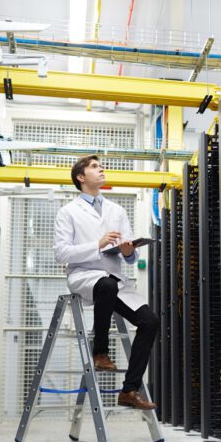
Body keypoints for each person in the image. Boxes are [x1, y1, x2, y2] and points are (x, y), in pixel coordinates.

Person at [53, 155, 159, 410]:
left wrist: (127, 251)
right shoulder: (68, 212)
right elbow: (62, 253)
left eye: (101, 167)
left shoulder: (117, 211)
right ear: (81, 177)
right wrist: (97, 245)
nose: (101, 170)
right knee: (106, 285)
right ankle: (100, 351)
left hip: (115, 277)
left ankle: (129, 391)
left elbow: (132, 257)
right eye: (94, 167)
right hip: (84, 276)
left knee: (150, 321)